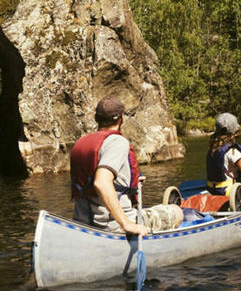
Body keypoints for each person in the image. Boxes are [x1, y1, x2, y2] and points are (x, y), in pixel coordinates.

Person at [70, 98, 183, 234]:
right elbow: (101, 182)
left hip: (83, 223)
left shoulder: (81, 142)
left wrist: (132, 182)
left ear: (96, 118)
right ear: (121, 119)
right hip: (112, 225)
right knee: (177, 211)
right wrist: (127, 225)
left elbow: (89, 177)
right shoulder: (117, 142)